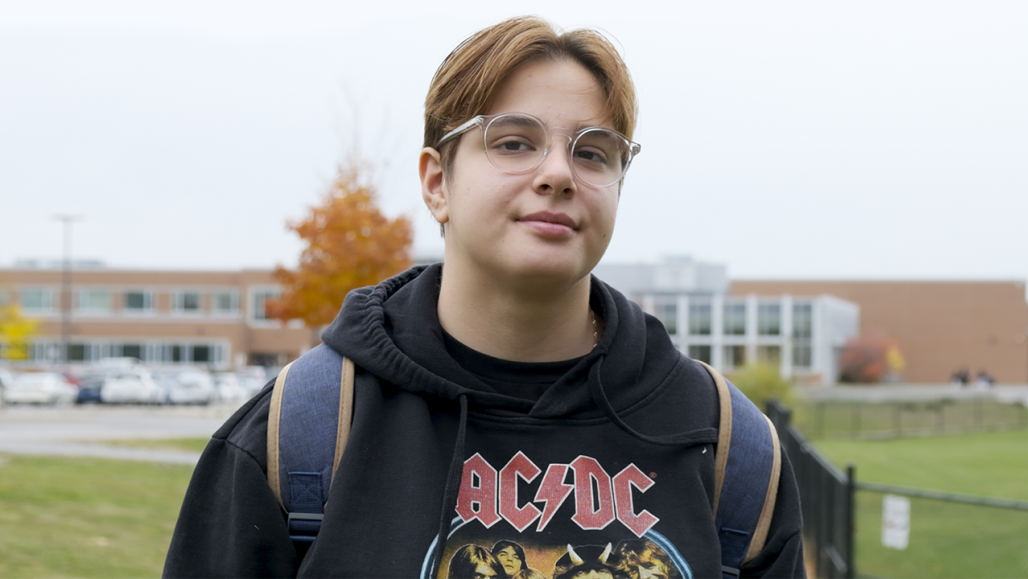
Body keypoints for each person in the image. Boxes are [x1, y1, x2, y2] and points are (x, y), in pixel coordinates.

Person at [163, 16, 805, 578]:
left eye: (594, 152)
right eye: (514, 142)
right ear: (437, 181)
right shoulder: (298, 436)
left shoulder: (729, 448)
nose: (558, 173)